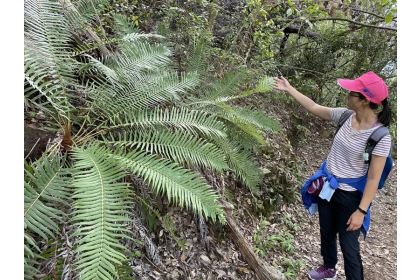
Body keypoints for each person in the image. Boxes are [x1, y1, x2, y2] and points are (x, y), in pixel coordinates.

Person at [273, 71, 392, 280]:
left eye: (351, 93)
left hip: (350, 196)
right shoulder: (345, 116)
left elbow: (373, 179)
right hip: (328, 186)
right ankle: (329, 268)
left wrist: (361, 211)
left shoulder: (380, 137)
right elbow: (313, 107)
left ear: (365, 100)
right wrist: (289, 88)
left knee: (349, 247)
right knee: (326, 231)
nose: (346, 95)